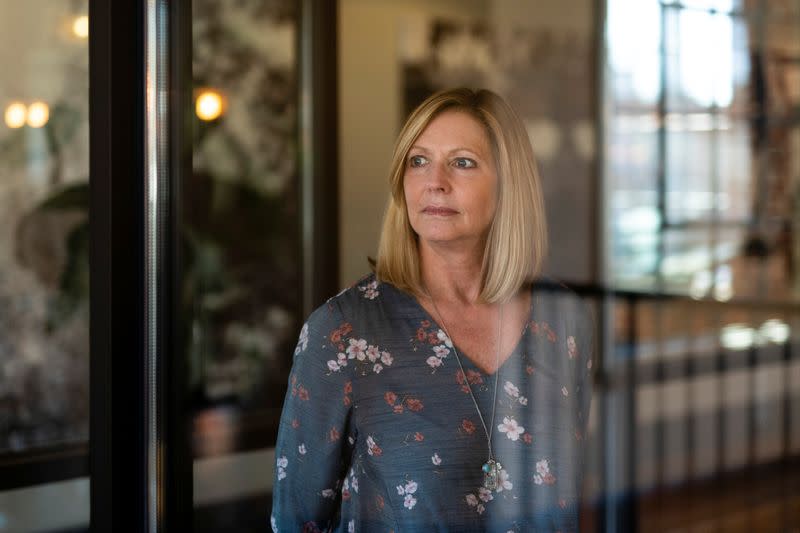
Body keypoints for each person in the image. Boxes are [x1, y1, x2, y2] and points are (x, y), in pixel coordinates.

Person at [271, 88, 593, 532]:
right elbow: (296, 521)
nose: (434, 181)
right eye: (418, 160)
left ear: (509, 184)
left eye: (462, 162)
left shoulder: (564, 321)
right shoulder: (343, 332)